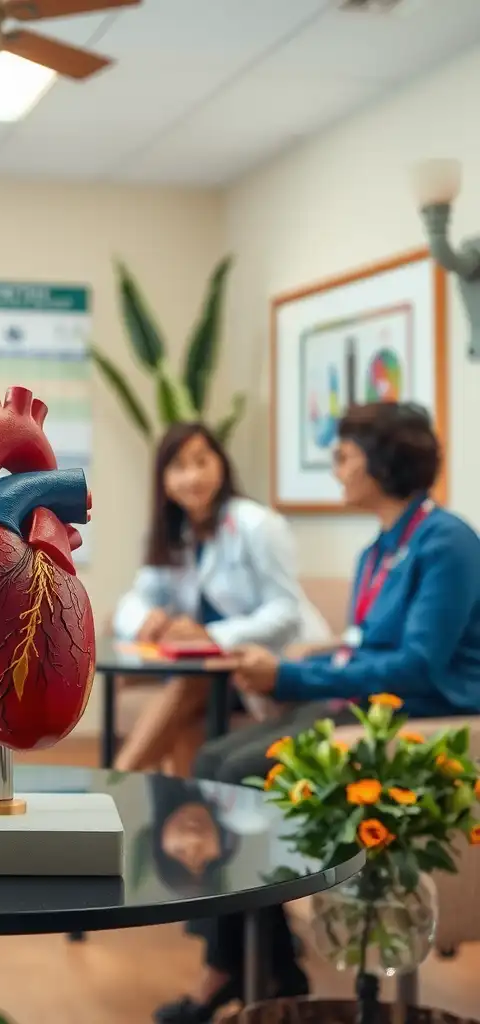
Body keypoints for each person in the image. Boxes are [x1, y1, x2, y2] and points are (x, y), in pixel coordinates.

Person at [157, 402, 480, 1023]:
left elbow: (415, 665)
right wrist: (311, 658)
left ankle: (233, 968)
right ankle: (264, 961)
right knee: (212, 756)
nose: (335, 469)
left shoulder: (447, 543)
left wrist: (291, 673)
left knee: (237, 769)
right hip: (360, 707)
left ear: (382, 462)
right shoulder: (382, 548)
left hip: (415, 720)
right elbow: (366, 646)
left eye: (343, 456)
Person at [112, 423, 328, 775]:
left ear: (221, 465)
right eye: (179, 467)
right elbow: (134, 599)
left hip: (276, 659)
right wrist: (146, 620)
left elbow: (286, 610)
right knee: (190, 689)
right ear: (163, 479)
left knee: (191, 680)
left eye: (202, 462)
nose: (192, 477)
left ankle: (118, 780)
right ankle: (175, 817)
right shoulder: (171, 533)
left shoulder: (258, 525)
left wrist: (213, 637)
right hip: (218, 671)